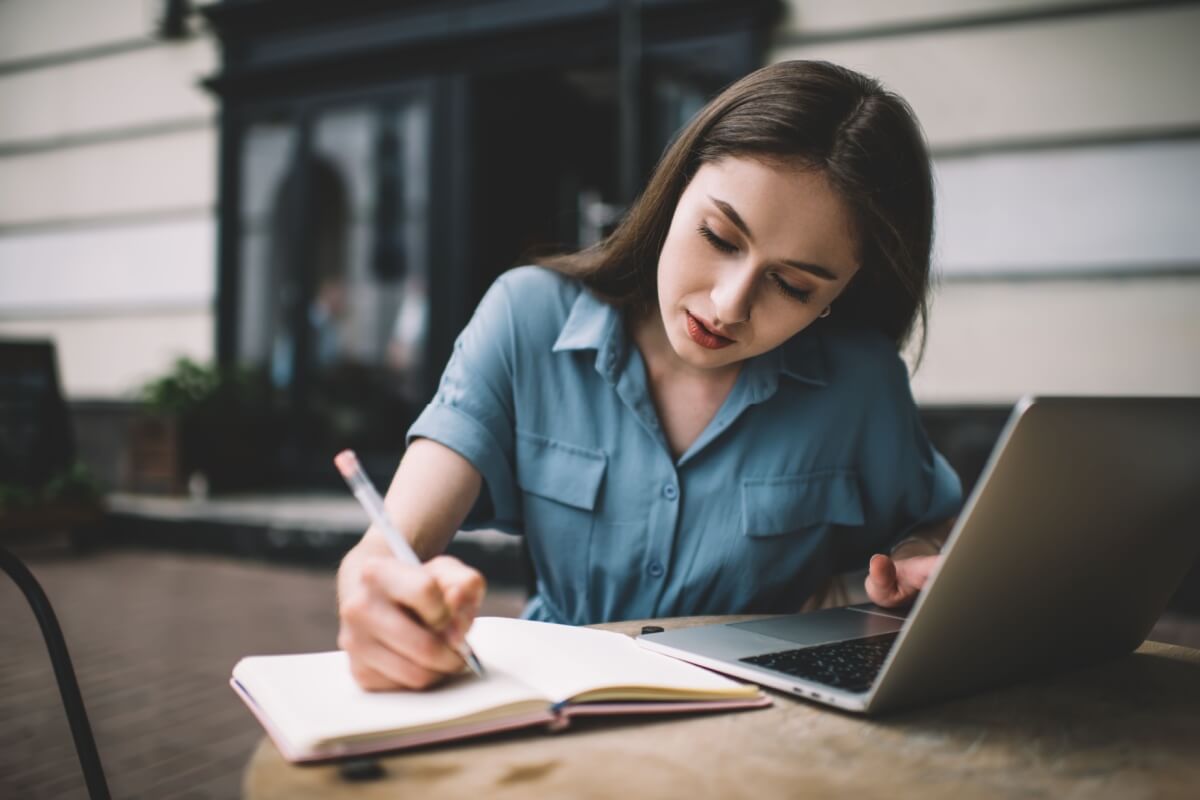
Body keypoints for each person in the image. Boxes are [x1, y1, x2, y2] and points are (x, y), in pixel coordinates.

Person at [336, 60, 962, 691]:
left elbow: (934, 523)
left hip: (759, 730)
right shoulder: (527, 318)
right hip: (556, 705)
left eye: (792, 286)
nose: (727, 306)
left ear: (839, 294)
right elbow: (393, 544)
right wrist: (376, 590)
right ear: (675, 190)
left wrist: (916, 559)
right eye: (718, 237)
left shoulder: (860, 383)